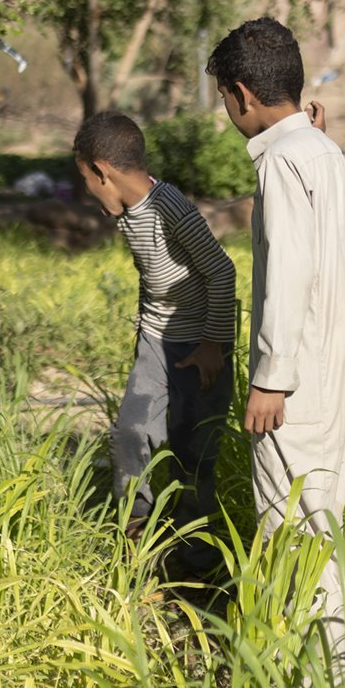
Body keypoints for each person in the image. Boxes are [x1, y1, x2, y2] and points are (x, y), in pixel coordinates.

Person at [207, 17, 345, 679]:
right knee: (318, 517)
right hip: (335, 357)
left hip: (298, 371)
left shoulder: (280, 162)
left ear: (242, 94)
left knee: (292, 529)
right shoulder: (319, 152)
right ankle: (326, 680)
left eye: (223, 99)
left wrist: (270, 377)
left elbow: (291, 272)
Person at [73, 111, 237, 574]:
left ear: (102, 170)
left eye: (87, 178)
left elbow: (222, 272)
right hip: (155, 341)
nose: (88, 190)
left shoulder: (172, 209)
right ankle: (137, 544)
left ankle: (196, 566)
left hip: (200, 346)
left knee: (193, 454)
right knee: (129, 436)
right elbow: (153, 276)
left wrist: (212, 343)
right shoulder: (126, 210)